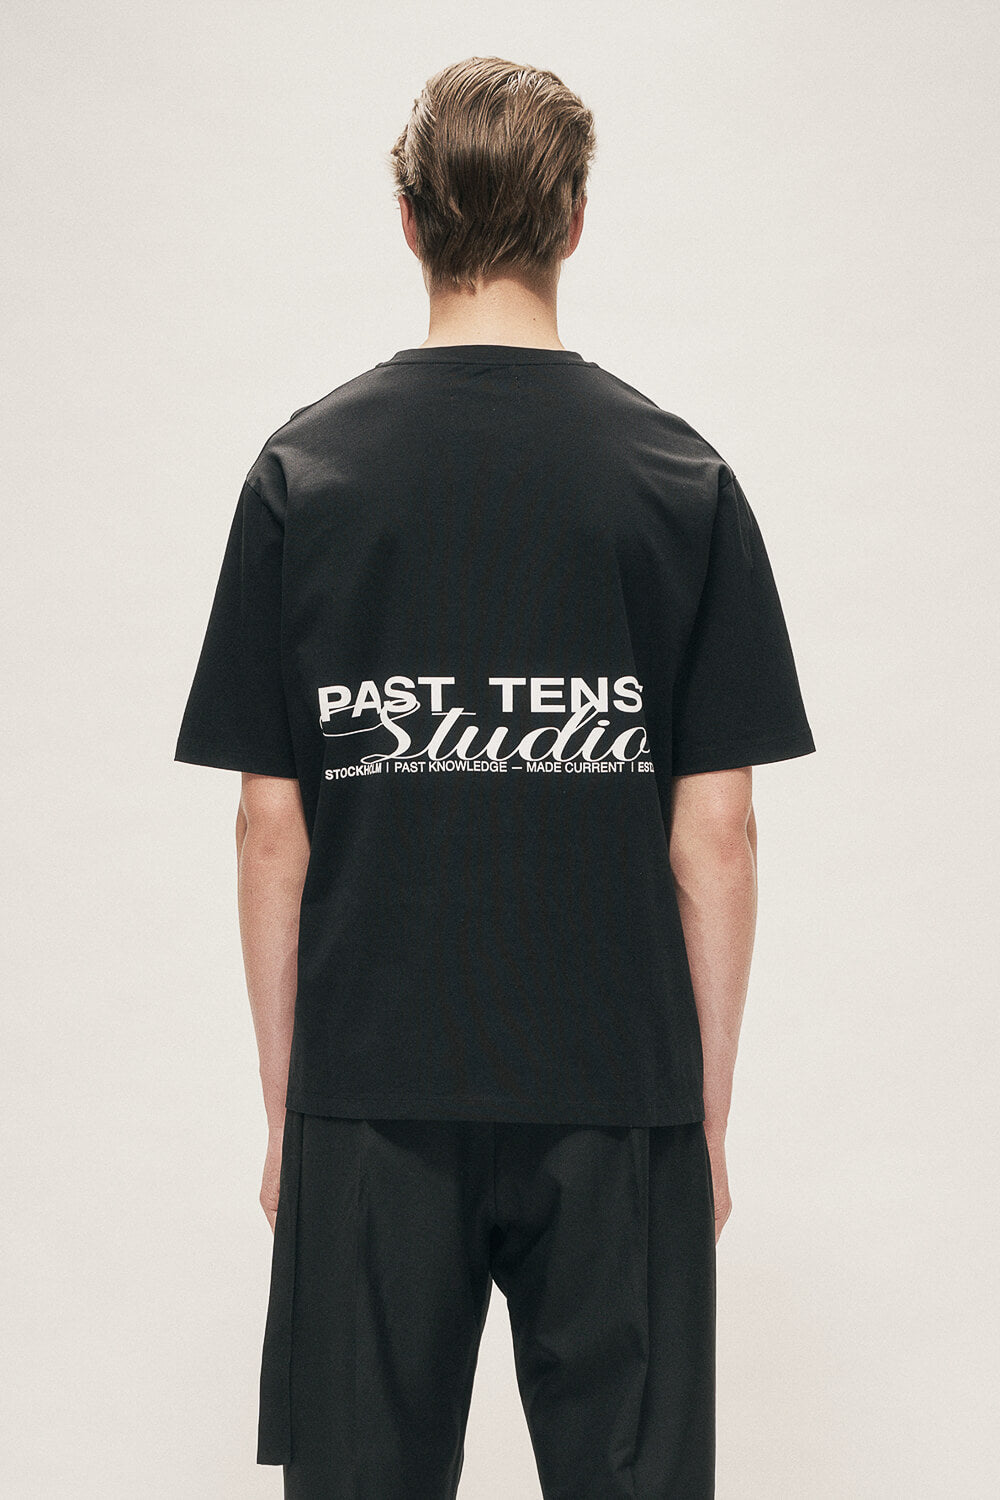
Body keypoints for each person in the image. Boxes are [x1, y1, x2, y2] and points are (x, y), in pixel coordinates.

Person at [173, 54, 816, 1500]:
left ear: (408, 220)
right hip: (617, 1086)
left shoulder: (302, 478)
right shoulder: (680, 481)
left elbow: (270, 828)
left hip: (371, 1088)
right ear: (575, 220)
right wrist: (700, 1124)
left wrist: (291, 1115)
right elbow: (718, 835)